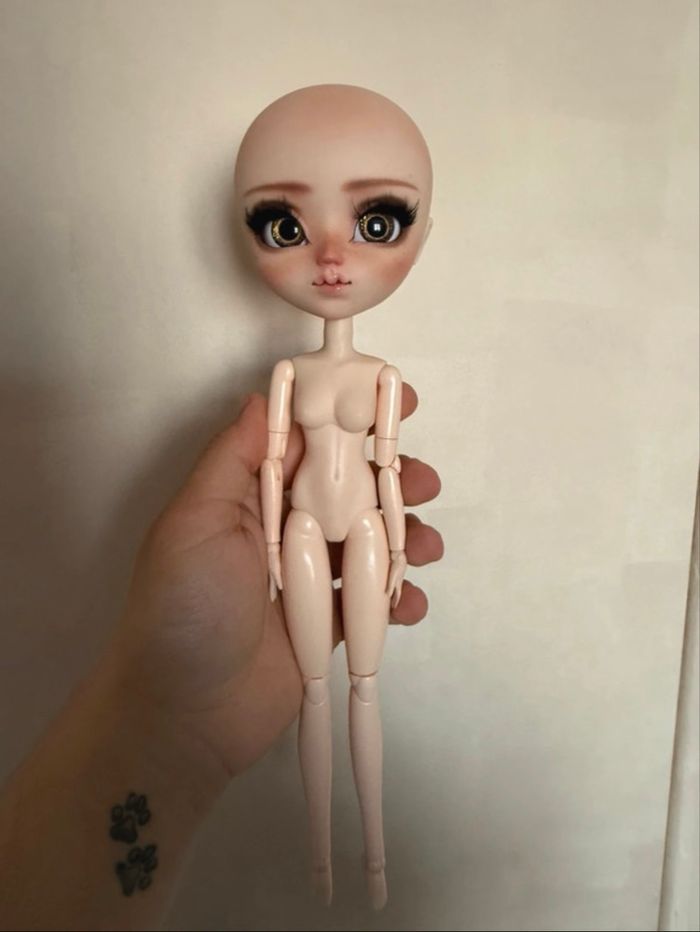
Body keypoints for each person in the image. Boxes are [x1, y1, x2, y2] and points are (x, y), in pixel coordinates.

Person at [0, 389, 444, 930]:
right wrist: (272, 548)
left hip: (366, 523)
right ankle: (322, 858)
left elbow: (389, 469)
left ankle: (374, 856)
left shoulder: (381, 377)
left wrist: (397, 549)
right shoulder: (293, 374)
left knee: (362, 683)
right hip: (301, 525)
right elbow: (273, 465)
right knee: (315, 686)